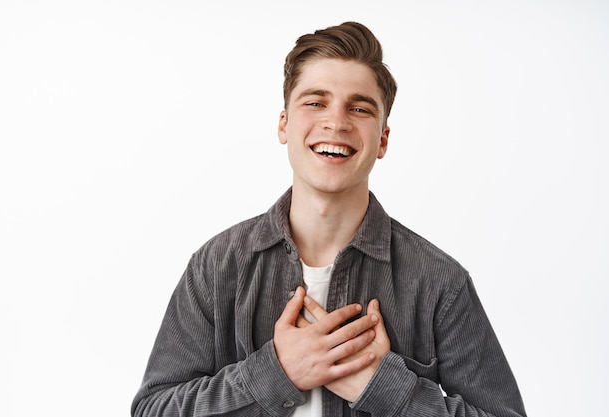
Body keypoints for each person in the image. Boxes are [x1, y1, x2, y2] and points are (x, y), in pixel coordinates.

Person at [131, 21, 526, 417]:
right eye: (316, 102)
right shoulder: (216, 267)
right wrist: (277, 372)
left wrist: (385, 388)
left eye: (359, 107)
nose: (336, 122)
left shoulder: (440, 281)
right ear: (284, 123)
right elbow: (151, 410)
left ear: (383, 139)